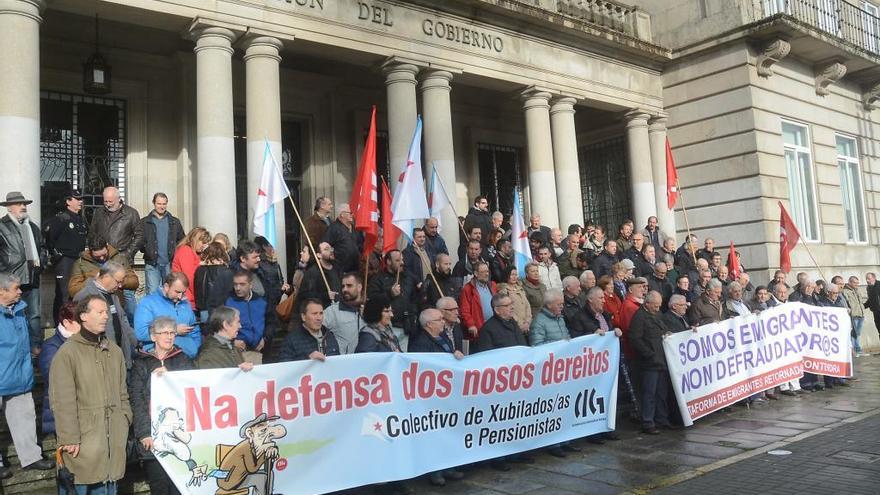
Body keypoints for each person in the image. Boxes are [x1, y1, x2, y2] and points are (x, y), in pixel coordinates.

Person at [50, 295, 131, 493]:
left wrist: (124, 418)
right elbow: (62, 401)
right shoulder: (67, 353)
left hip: (113, 439)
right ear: (84, 316)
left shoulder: (115, 351)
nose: (106, 316)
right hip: (84, 442)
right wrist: (69, 437)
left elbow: (123, 393)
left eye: (106, 312)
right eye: (100, 312)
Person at [129, 316, 195, 495]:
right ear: (153, 337)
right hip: (154, 438)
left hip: (179, 434)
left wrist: (171, 376)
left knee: (179, 489)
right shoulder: (141, 363)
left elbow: (193, 390)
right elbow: (136, 398)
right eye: (164, 332)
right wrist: (144, 433)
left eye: (172, 332)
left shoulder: (183, 360)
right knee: (159, 487)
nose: (169, 336)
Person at [0, 272, 55, 479]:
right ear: (1, 291)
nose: (21, 291)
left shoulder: (19, 310)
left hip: (19, 375)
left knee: (25, 417)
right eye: (15, 288)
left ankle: (31, 457)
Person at [407, 308, 465, 486]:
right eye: (439, 319)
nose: (443, 321)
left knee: (448, 429)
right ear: (429, 324)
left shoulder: (444, 337)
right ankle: (435, 470)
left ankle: (448, 466)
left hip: (446, 391)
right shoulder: (419, 343)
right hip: (431, 394)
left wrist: (455, 354)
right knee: (435, 433)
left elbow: (449, 354)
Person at [528, 288, 581, 458]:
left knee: (564, 406)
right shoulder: (539, 322)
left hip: (563, 370)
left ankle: (565, 439)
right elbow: (536, 347)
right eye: (559, 304)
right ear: (549, 305)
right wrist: (558, 345)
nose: (562, 307)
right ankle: (553, 443)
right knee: (552, 407)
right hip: (549, 372)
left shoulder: (560, 319)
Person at [91, 186, 143, 322]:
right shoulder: (98, 213)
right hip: (103, 261)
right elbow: (92, 235)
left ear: (118, 199)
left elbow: (140, 236)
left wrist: (127, 253)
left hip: (122, 260)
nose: (108, 204)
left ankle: (135, 330)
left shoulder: (131, 213)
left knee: (128, 296)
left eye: (110, 201)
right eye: (105, 201)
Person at [0, 191, 44, 352]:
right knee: (12, 313)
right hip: (12, 279)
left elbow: (42, 247)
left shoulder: (32, 227)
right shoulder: (2, 226)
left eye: (24, 203)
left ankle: (35, 347)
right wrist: (4, 273)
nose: (23, 206)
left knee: (34, 315)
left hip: (33, 277)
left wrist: (42, 263)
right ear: (9, 208)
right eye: (19, 204)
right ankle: (16, 345)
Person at [73, 261, 138, 369]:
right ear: (107, 277)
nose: (120, 285)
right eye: (118, 282)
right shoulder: (84, 296)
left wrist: (135, 341)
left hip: (119, 356)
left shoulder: (114, 296)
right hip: (100, 360)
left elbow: (123, 321)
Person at [629, 291, 676, 434]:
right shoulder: (639, 317)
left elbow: (663, 327)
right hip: (649, 362)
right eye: (655, 306)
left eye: (659, 306)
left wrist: (667, 333)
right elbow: (635, 338)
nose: (657, 308)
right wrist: (648, 354)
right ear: (647, 304)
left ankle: (661, 419)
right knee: (649, 393)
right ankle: (648, 422)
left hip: (660, 358)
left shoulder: (657, 314)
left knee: (661, 392)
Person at [44, 188, 87, 323]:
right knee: (63, 294)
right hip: (65, 261)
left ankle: (73, 321)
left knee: (76, 293)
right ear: (68, 201)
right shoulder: (61, 218)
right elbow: (50, 238)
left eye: (81, 199)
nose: (80, 202)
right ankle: (61, 324)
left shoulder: (79, 219)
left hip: (78, 260)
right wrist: (57, 255)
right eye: (77, 199)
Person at [134, 272, 201, 359]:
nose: (180, 296)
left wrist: (197, 349)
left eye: (183, 293)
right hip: (161, 360)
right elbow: (141, 333)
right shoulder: (148, 303)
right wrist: (174, 331)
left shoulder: (185, 303)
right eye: (177, 292)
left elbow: (195, 330)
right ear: (166, 287)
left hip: (189, 357)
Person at [39, 301, 80, 438]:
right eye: (79, 322)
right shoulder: (52, 346)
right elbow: (54, 378)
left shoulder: (88, 341)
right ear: (67, 323)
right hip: (62, 413)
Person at [367, 250, 419, 350]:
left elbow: (414, 298)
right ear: (388, 262)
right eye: (398, 260)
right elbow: (372, 299)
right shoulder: (378, 279)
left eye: (402, 260)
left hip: (406, 326)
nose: (402, 263)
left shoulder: (408, 277)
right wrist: (390, 294)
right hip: (389, 326)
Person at [139, 192, 185, 295]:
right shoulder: (145, 222)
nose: (162, 206)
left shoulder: (174, 222)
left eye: (164, 204)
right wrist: (146, 249)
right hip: (152, 264)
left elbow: (182, 241)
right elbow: (139, 240)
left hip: (170, 263)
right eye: (159, 204)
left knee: (170, 292)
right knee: (152, 293)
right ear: (154, 204)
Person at [68, 235, 139, 299]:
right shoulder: (80, 263)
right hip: (93, 303)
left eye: (104, 255)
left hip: (116, 301)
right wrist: (94, 282)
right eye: (97, 256)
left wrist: (118, 281)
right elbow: (73, 291)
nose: (102, 258)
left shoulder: (119, 258)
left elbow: (134, 281)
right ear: (90, 252)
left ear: (107, 248)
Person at [195, 305, 255, 371]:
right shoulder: (208, 354)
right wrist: (236, 369)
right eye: (238, 322)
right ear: (226, 325)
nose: (240, 326)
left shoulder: (232, 347)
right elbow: (213, 378)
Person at [225, 270, 267, 360]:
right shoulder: (228, 303)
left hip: (258, 349)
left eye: (242, 284)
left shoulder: (261, 302)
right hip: (236, 350)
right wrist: (232, 341)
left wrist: (265, 337)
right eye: (235, 284)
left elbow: (270, 322)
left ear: (250, 285)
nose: (238, 288)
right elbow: (219, 327)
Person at [171, 227, 211, 311]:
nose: (204, 245)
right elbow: (190, 277)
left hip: (191, 298)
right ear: (195, 239)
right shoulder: (185, 251)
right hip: (187, 299)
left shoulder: (196, 253)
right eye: (202, 242)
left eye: (206, 243)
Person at [322, 272, 363, 354]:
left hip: (368, 363)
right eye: (343, 286)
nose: (345, 289)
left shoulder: (370, 310)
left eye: (349, 286)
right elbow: (314, 331)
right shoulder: (333, 311)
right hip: (343, 363)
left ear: (359, 287)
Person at [193, 241, 235, 319]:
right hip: (221, 311)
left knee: (206, 329)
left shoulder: (199, 270)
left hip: (203, 310)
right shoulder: (225, 271)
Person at [459, 261, 497, 341]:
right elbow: (464, 311)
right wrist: (471, 325)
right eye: (483, 272)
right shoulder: (468, 289)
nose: (487, 274)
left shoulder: (493, 285)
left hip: (495, 326)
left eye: (487, 271)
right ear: (476, 273)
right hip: (480, 328)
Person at [298, 241, 341, 309]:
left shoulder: (338, 269)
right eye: (326, 249)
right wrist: (326, 296)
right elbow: (305, 296)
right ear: (319, 255)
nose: (331, 251)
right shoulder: (312, 272)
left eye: (331, 248)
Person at [323, 203, 360, 273]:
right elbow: (325, 246)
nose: (352, 215)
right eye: (350, 213)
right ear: (342, 214)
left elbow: (360, 244)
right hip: (340, 270)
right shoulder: (333, 229)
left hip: (355, 270)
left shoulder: (354, 228)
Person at [617, 277, 648, 360]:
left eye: (643, 287)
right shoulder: (630, 306)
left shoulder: (637, 304)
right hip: (635, 351)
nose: (642, 289)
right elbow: (630, 329)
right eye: (639, 287)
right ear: (630, 290)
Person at [496, 265, 532, 334]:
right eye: (512, 274)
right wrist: (520, 324)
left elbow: (527, 305)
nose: (514, 277)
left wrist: (527, 322)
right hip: (514, 326)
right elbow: (508, 310)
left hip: (527, 326)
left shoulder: (520, 288)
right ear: (507, 275)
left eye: (515, 274)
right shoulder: (504, 291)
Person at [842, 276, 865, 357]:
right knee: (853, 334)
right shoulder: (845, 291)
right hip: (853, 315)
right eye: (855, 283)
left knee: (858, 333)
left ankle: (858, 349)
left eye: (857, 283)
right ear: (850, 282)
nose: (857, 284)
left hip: (860, 314)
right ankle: (854, 350)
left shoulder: (856, 290)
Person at [866, 272, 880, 342]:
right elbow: (870, 300)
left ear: (874, 278)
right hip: (876, 312)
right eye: (866, 279)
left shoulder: (879, 285)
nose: (867, 280)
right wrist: (862, 306)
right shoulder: (869, 287)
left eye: (869, 278)